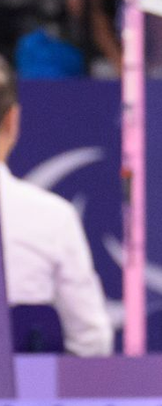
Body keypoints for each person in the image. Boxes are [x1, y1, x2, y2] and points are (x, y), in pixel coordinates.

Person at [0, 57, 113, 357]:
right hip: (27, 401)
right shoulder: (53, 219)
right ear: (13, 120)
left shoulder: (55, 218)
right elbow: (91, 342)